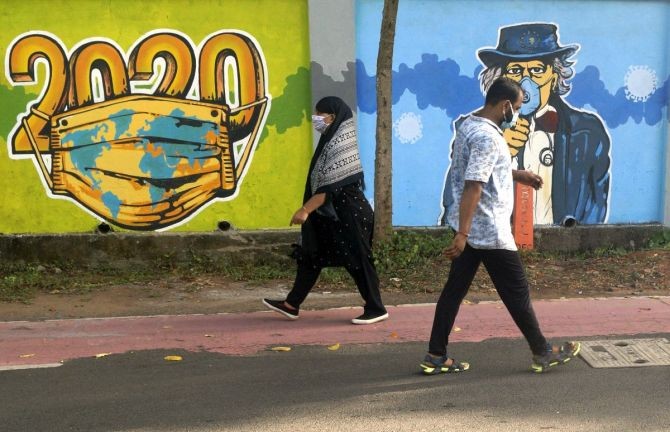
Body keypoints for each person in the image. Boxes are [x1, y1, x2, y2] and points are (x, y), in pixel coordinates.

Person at [422, 77, 580, 375]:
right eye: (518, 107)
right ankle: (542, 351)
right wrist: (463, 234)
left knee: (453, 292)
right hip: (488, 231)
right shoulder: (488, 137)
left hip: (471, 228)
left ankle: (435, 354)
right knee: (516, 292)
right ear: (505, 105)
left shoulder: (471, 125)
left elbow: (486, 167)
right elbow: (474, 184)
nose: (518, 113)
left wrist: (518, 174)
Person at [442, 22, 610, 226]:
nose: (525, 81)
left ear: (554, 75)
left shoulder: (587, 132)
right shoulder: (472, 129)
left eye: (538, 69)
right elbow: (458, 193)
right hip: (496, 240)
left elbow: (595, 203)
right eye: (515, 71)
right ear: (500, 78)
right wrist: (499, 148)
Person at [263, 96, 388, 325]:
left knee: (358, 260)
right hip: (332, 214)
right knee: (313, 254)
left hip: (350, 213)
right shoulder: (329, 141)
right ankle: (292, 304)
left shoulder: (340, 144)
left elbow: (328, 188)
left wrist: (304, 210)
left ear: (333, 116)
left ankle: (376, 307)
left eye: (321, 114)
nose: (317, 119)